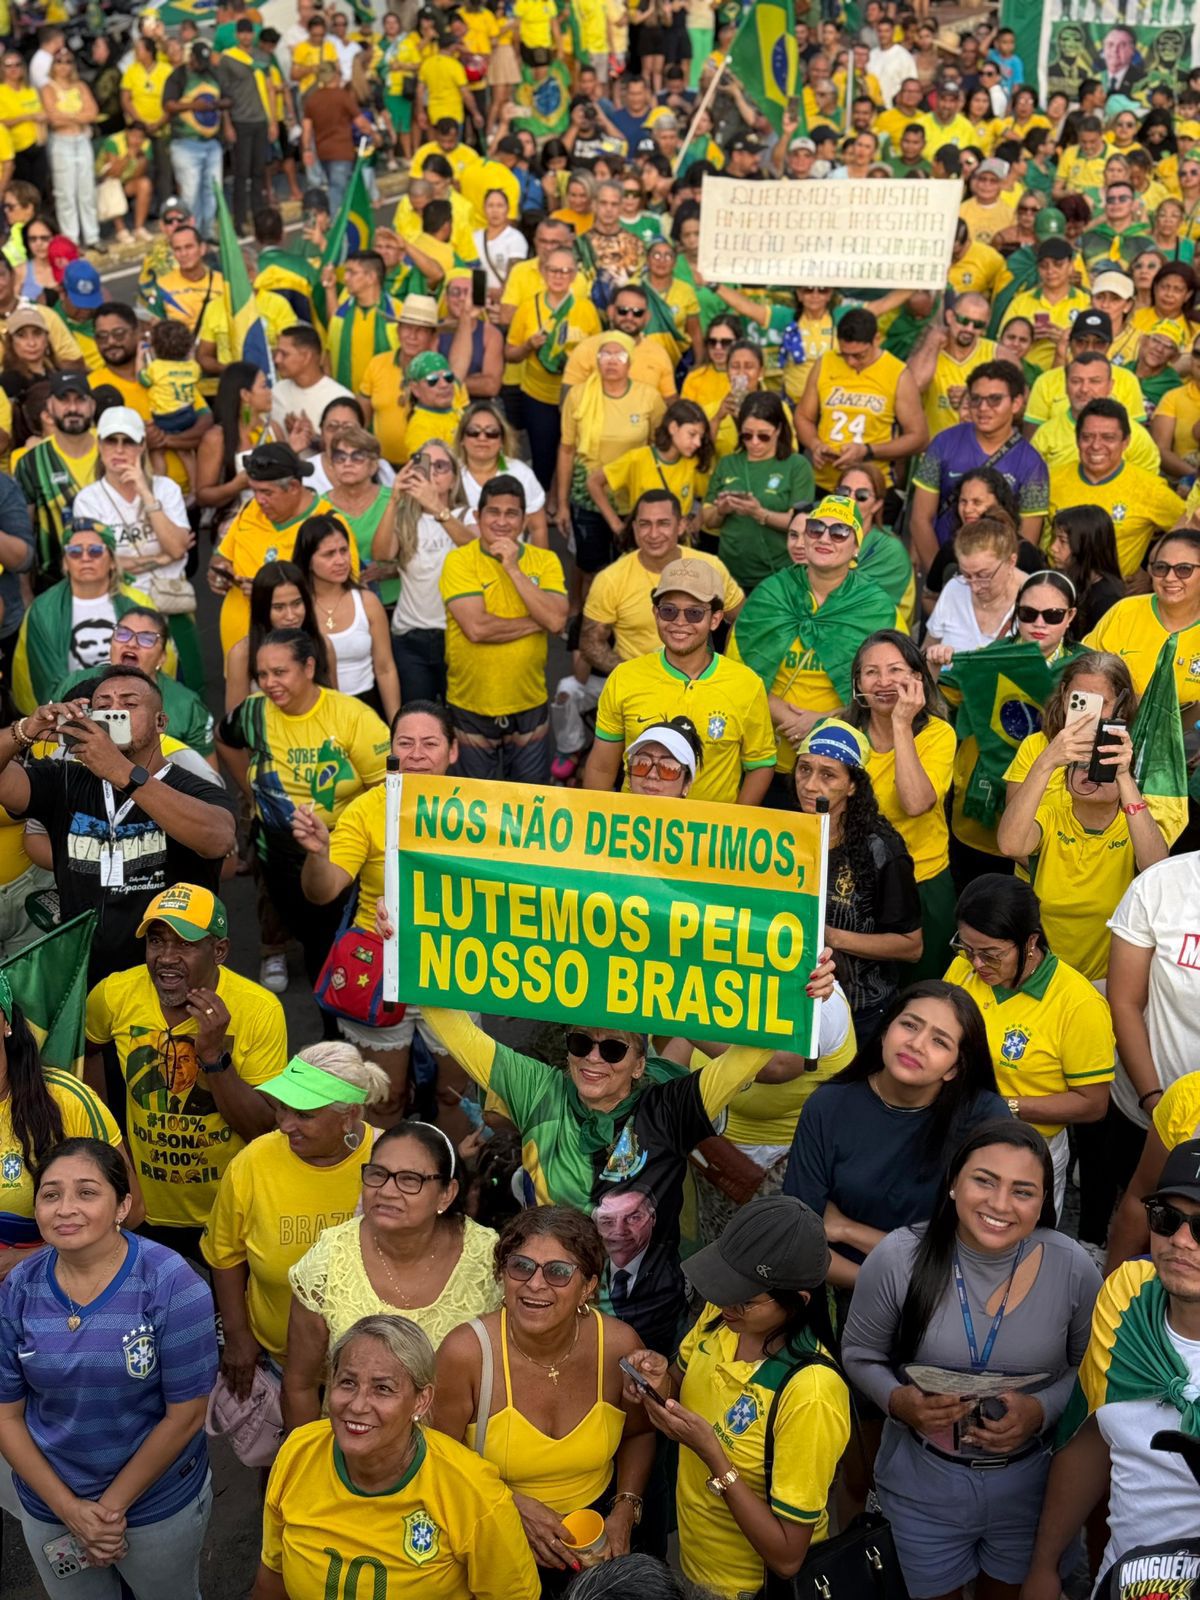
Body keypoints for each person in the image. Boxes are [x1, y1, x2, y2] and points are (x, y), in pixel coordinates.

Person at [385, 950, 841, 1357]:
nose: (593, 1058)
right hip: (542, 1302)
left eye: (613, 1049)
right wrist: (406, 944)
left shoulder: (670, 1107)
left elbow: (751, 1054)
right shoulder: (537, 1089)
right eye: (580, 1043)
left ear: (640, 1065)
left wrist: (800, 992)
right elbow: (457, 1031)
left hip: (644, 1317)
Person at [842, 1121, 1100, 1600]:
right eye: (985, 1180)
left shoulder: (1073, 1267)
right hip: (921, 1488)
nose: (1000, 1204)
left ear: (1044, 1201)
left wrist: (1042, 1409)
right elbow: (860, 1354)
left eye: (1023, 1191)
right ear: (953, 1183)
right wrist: (899, 1401)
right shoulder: (898, 1256)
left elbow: (1091, 1371)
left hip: (1032, 1486)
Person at [0, 1138, 218, 1597]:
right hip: (51, 1505)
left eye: (86, 1192)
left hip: (156, 1505)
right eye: (51, 1194)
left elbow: (186, 1416)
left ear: (122, 1206)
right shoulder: (18, 1288)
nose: (65, 1209)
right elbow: (6, 1415)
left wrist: (108, 1511)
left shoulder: (172, 1284)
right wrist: (70, 1510)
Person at [623, 1196, 849, 1599]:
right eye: (724, 1284)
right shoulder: (722, 1318)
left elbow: (787, 1557)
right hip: (694, 1568)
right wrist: (657, 1382)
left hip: (748, 1590)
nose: (727, 1302)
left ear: (798, 1302)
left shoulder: (811, 1393)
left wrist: (713, 1454)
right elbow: (678, 1385)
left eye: (745, 1297)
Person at [434, 1208, 654, 1582]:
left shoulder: (617, 1345)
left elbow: (640, 1432)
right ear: (503, 1275)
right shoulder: (467, 1354)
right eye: (521, 1267)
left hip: (596, 1540)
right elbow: (437, 1462)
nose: (535, 1284)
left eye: (558, 1272)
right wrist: (508, 1504)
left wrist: (624, 1509)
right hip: (493, 1535)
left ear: (588, 1286)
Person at [255, 1314, 539, 1600]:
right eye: (348, 1383)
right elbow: (272, 1577)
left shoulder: (473, 1492)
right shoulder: (298, 1453)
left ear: (421, 1401)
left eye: (383, 1389)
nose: (358, 1405)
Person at [1022, 1139, 1200, 1593]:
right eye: (1167, 1218)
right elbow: (1091, 1434)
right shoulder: (1128, 1298)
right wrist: (1044, 1566)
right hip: (1122, 1581)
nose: (1181, 1241)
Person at [0, 670, 237, 983]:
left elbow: (219, 840)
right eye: (103, 705)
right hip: (84, 978)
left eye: (129, 704)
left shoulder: (192, 788)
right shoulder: (64, 779)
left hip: (167, 978)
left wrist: (122, 773)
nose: (115, 712)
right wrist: (25, 730)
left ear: (160, 722)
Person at [84, 881, 282, 1256]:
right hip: (142, 1208)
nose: (166, 957)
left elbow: (263, 1128)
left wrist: (214, 1057)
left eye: (185, 944)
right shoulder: (114, 994)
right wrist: (111, 1142)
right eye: (156, 941)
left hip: (228, 1207)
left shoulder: (260, 1009)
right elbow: (88, 1050)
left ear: (219, 951)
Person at [784, 979, 1010, 1292]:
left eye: (940, 1041)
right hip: (843, 1284)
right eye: (909, 1025)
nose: (917, 1044)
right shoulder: (828, 1105)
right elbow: (797, 1240)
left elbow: (978, 1253)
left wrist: (846, 1229)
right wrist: (885, 1287)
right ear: (884, 1031)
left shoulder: (984, 1118)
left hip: (949, 1296)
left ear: (954, 1069)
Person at [283, 1120, 504, 1426]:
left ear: (446, 1193)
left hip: (454, 1447)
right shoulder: (329, 1258)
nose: (386, 1191)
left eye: (410, 1180)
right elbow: (300, 1385)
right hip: (351, 1443)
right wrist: (307, 1454)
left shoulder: (489, 1259)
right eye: (377, 1174)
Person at [202, 1044, 389, 1390]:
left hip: (373, 1374)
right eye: (283, 1108)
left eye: (304, 1115)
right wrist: (237, 1336)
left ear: (348, 1115)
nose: (286, 1125)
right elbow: (224, 1252)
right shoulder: (253, 1161)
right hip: (277, 1363)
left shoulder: (388, 1162)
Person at [218, 628, 389, 990]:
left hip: (341, 849)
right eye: (262, 674)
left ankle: (350, 1009)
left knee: (341, 939)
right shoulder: (253, 712)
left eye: (280, 672)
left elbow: (386, 789)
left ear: (309, 667)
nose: (269, 683)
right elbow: (224, 738)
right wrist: (251, 790)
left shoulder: (353, 717)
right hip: (276, 851)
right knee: (310, 937)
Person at [945, 875, 1115, 1215]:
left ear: (1030, 942)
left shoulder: (1078, 1005)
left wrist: (1001, 1105)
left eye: (991, 954)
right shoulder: (964, 968)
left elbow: (1092, 1104)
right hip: (956, 1129)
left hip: (1027, 1147)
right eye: (967, 948)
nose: (976, 964)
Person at [996, 652, 1169, 982]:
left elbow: (1157, 868)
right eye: (1079, 699)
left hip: (1108, 961)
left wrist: (1122, 775)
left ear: (1121, 705)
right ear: (1064, 696)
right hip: (1039, 903)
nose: (1088, 712)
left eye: (1100, 703)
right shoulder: (1042, 765)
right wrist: (1049, 760)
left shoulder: (1137, 757)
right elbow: (1013, 842)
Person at [726, 497, 899, 802]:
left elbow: (890, 687)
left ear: (856, 547)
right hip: (766, 758)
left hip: (840, 763)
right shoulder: (771, 593)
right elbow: (736, 674)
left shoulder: (876, 607)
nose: (824, 538)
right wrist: (786, 717)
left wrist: (822, 723)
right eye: (816, 528)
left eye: (839, 532)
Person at [584, 557, 775, 807]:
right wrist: (594, 818)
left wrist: (736, 822)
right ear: (656, 613)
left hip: (710, 831)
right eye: (669, 610)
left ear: (715, 619)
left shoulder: (746, 684)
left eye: (694, 613)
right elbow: (601, 767)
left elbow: (760, 764)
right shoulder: (624, 677)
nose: (680, 622)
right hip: (637, 826)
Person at [0, 970, 142, 1275]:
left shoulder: (66, 1100)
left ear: (6, 1023)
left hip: (57, 1288)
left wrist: (32, 1259)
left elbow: (131, 1213)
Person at [789, 718, 923, 1039]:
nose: (809, 785)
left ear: (852, 785)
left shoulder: (882, 851)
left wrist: (828, 936)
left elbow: (911, 946)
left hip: (860, 1010)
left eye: (828, 774)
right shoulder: (784, 835)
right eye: (804, 769)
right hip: (792, 999)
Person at [439, 474, 567, 782]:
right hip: (470, 704)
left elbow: (556, 620)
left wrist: (512, 567)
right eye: (493, 512)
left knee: (530, 799)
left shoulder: (546, 560)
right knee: (472, 802)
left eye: (511, 513)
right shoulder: (458, 561)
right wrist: (538, 620)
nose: (501, 521)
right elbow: (477, 628)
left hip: (529, 702)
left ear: (524, 520)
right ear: (478, 516)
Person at [845, 632, 957, 980]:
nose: (883, 682)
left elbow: (915, 802)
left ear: (917, 678)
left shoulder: (938, 734)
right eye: (871, 672)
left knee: (922, 993)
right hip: (852, 885)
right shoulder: (841, 733)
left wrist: (901, 723)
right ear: (858, 683)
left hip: (921, 883)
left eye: (895, 670)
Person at [71, 406, 199, 686]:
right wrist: (160, 559)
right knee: (132, 688)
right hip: (124, 611)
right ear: (99, 444)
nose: (119, 449)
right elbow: (101, 563)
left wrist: (145, 492)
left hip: (173, 604)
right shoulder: (88, 499)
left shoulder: (166, 489)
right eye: (111, 440)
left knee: (186, 687)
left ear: (142, 446)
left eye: (128, 441)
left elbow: (177, 548)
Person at [581, 490, 741, 676]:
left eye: (663, 523)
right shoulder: (610, 579)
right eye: (645, 524)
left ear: (681, 526)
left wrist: (727, 669)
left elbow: (744, 621)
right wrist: (634, 675)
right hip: (639, 685)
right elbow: (590, 642)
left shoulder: (711, 567)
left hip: (701, 683)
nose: (653, 534)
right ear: (634, 528)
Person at [908, 361, 1049, 573]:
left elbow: (1026, 539)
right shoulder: (943, 443)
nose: (983, 408)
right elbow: (920, 519)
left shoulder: (1032, 463)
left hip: (998, 578)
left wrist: (993, 583)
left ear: (1017, 403)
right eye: (976, 399)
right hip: (945, 568)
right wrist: (940, 576)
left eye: (994, 399)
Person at [558, 332, 665, 590]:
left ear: (630, 362)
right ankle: (580, 608)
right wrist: (561, 504)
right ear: (596, 359)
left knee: (631, 568)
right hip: (587, 497)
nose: (612, 360)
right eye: (605, 354)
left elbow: (659, 449)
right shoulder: (579, 396)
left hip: (633, 497)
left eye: (620, 354)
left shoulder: (649, 397)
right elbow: (566, 450)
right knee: (589, 567)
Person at [210, 442, 336, 657]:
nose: (259, 500)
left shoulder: (328, 525)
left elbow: (339, 593)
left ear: (294, 487)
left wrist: (268, 592)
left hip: (292, 655)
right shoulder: (250, 509)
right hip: (237, 650)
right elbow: (221, 556)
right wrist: (219, 570)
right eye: (254, 490)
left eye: (267, 492)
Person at [54, 606, 214, 767]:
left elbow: (207, 773)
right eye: (123, 633)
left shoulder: (188, 705)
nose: (131, 643)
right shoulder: (74, 682)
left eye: (147, 639)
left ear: (162, 657)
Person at [1046, 399, 1185, 582]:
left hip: (1116, 594)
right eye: (1087, 437)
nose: (1096, 445)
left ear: (1125, 442)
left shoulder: (1150, 488)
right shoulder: (1051, 479)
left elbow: (1189, 530)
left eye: (1108, 438)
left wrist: (1153, 574)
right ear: (1077, 439)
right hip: (1055, 587)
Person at [795, 307, 928, 497]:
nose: (850, 362)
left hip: (872, 488)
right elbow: (803, 416)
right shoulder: (825, 362)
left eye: (859, 355)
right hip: (824, 484)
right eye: (844, 354)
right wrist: (815, 444)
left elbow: (919, 438)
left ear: (876, 339)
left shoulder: (897, 373)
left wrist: (868, 451)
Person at [505, 245, 602, 493]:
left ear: (574, 276)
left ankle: (563, 503)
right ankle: (542, 502)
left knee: (575, 456)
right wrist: (528, 346)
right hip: (538, 396)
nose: (559, 276)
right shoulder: (528, 308)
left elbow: (598, 354)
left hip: (577, 398)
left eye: (565, 271)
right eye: (553, 270)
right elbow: (510, 354)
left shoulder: (586, 309)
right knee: (544, 458)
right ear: (544, 272)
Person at [700, 392, 815, 591]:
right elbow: (708, 520)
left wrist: (759, 513)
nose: (754, 442)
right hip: (730, 575)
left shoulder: (797, 465)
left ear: (778, 430)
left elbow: (800, 523)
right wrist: (721, 510)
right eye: (747, 435)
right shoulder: (728, 463)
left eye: (763, 436)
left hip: (778, 575)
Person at [292, 512, 400, 721]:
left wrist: (396, 724)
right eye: (329, 554)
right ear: (308, 560)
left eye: (344, 550)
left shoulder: (367, 602)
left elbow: (385, 669)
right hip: (313, 712)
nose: (341, 560)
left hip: (365, 709)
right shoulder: (296, 607)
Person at [1085, 530, 1200, 713]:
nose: (1170, 578)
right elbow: (1083, 671)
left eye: (1184, 569)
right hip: (1112, 725)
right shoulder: (1124, 611)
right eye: (1161, 568)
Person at [16, 371, 99, 585]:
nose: (72, 408)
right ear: (50, 407)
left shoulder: (113, 450)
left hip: (115, 579)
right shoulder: (32, 462)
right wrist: (25, 591)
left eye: (80, 400)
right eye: (63, 400)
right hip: (54, 583)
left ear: (92, 405)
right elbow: (23, 532)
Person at [223, 561, 330, 713]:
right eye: (279, 607)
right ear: (262, 609)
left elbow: (335, 707)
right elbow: (236, 720)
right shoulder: (242, 654)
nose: (291, 616)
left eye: (297, 604)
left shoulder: (323, 644)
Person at [924, 517, 1025, 658]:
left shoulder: (1034, 600)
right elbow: (926, 652)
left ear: (1011, 562)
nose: (975, 587)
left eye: (983, 575)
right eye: (966, 575)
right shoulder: (954, 588)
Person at [41, 47, 101, 255]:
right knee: (65, 193)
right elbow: (53, 118)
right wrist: (78, 116)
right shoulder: (48, 88)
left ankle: (92, 236)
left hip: (81, 140)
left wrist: (69, 117)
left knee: (87, 191)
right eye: (59, 61)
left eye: (68, 61)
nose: (64, 66)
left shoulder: (80, 85)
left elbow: (93, 112)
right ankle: (72, 240)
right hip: (62, 142)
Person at [1047, 505, 1125, 635]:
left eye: (1062, 541)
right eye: (1055, 538)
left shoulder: (1106, 600)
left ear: (1086, 545)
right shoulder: (1068, 581)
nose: (1053, 548)